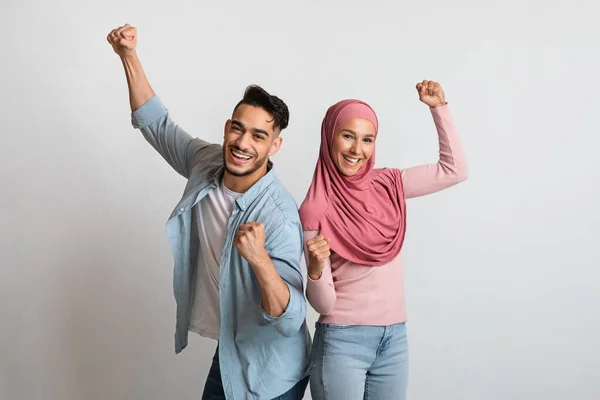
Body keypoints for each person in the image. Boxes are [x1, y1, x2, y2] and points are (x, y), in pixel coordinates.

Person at [107, 24, 311, 400]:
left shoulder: (278, 215)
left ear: (275, 145)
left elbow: (291, 318)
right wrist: (128, 56)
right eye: (238, 129)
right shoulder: (207, 162)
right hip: (232, 354)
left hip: (272, 374)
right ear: (227, 128)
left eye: (258, 136)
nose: (243, 143)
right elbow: (158, 125)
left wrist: (260, 259)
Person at [299, 80, 468, 399]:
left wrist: (439, 110)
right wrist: (316, 267)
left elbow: (454, 170)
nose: (356, 150)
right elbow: (325, 304)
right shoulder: (314, 208)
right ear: (329, 136)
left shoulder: (390, 184)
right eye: (347, 136)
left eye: (367, 140)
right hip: (341, 342)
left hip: (394, 340)